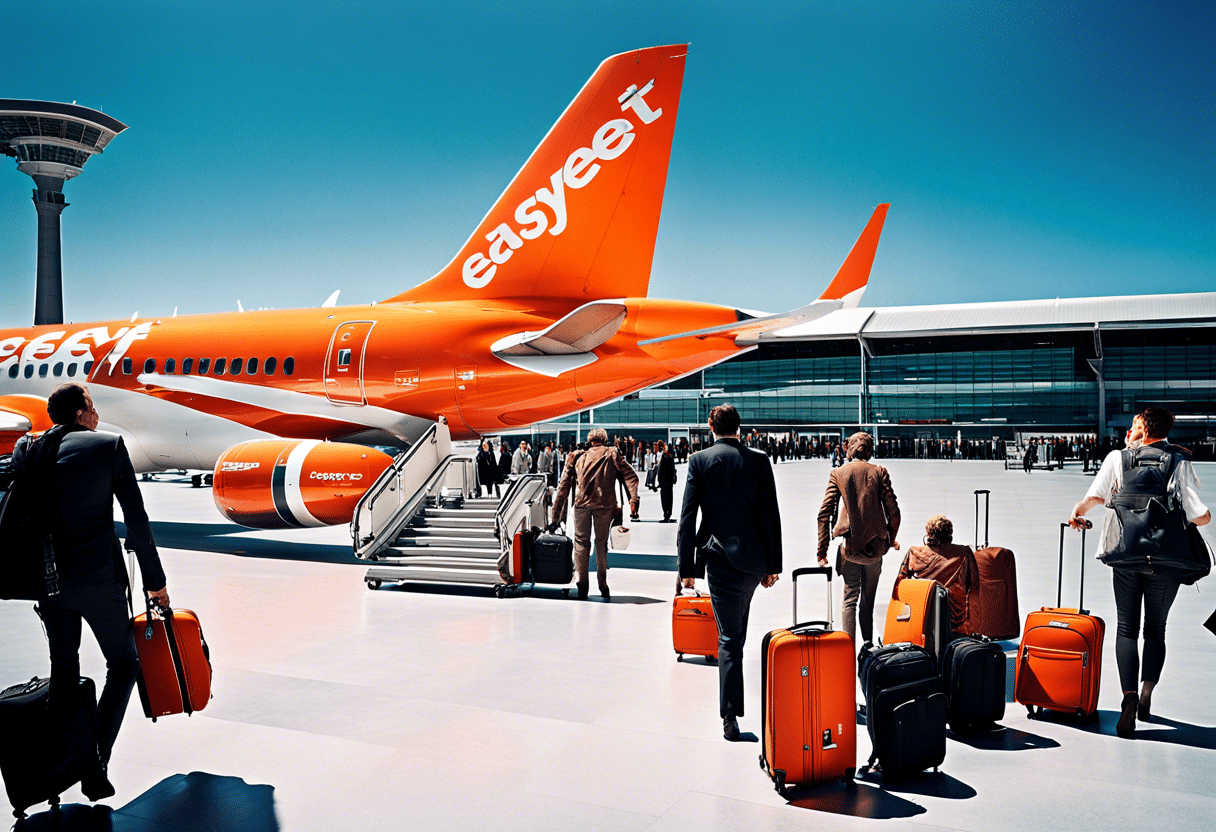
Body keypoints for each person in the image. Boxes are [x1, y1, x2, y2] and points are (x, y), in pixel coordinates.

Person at [14, 383, 169, 802]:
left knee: (64, 675)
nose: (97, 413)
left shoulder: (27, 449)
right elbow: (136, 519)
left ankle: (56, 772)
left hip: (49, 584)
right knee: (122, 666)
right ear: (81, 413)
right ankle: (95, 763)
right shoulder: (107, 446)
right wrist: (156, 581)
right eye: (92, 406)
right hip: (100, 583)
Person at [1069, 406, 1210, 739]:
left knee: (1127, 628)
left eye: (1133, 425)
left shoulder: (1118, 458)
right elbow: (1201, 515)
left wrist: (1077, 513)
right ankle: (1146, 694)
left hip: (1127, 557)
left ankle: (1128, 699)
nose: (1128, 431)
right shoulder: (1177, 462)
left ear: (1144, 429)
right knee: (1156, 630)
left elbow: (1093, 498)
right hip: (1165, 563)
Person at [678, 404, 781, 741]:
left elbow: (687, 519)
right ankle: (732, 708)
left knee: (728, 637)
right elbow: (771, 516)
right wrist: (773, 565)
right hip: (752, 563)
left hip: (718, 559)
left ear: (711, 425)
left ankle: (729, 716)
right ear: (740, 427)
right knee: (736, 632)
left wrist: (687, 569)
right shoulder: (759, 460)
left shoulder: (700, 460)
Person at [816, 431, 901, 648]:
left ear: (850, 449)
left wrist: (822, 551)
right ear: (870, 450)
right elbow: (894, 511)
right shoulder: (879, 472)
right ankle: (867, 647)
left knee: (849, 600)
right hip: (875, 549)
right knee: (868, 602)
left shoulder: (839, 473)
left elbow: (824, 514)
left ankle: (847, 651)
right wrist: (892, 539)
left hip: (850, 548)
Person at [550, 428, 640, 600]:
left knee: (581, 544)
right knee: (601, 543)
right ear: (604, 440)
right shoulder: (612, 453)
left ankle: (582, 585)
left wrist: (555, 516)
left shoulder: (576, 456)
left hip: (581, 506)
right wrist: (633, 501)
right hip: (604, 506)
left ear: (590, 441)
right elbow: (631, 476)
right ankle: (602, 584)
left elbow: (563, 488)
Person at [894, 515, 972, 635]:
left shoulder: (915, 553)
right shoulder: (963, 553)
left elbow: (900, 586)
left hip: (923, 617)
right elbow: (974, 583)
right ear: (950, 534)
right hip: (955, 621)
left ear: (928, 534)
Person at [655, 440, 677, 522]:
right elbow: (673, 470)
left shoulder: (664, 457)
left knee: (664, 498)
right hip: (669, 482)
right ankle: (669, 514)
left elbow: (661, 471)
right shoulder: (671, 458)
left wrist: (659, 481)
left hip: (664, 482)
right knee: (670, 498)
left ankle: (666, 515)